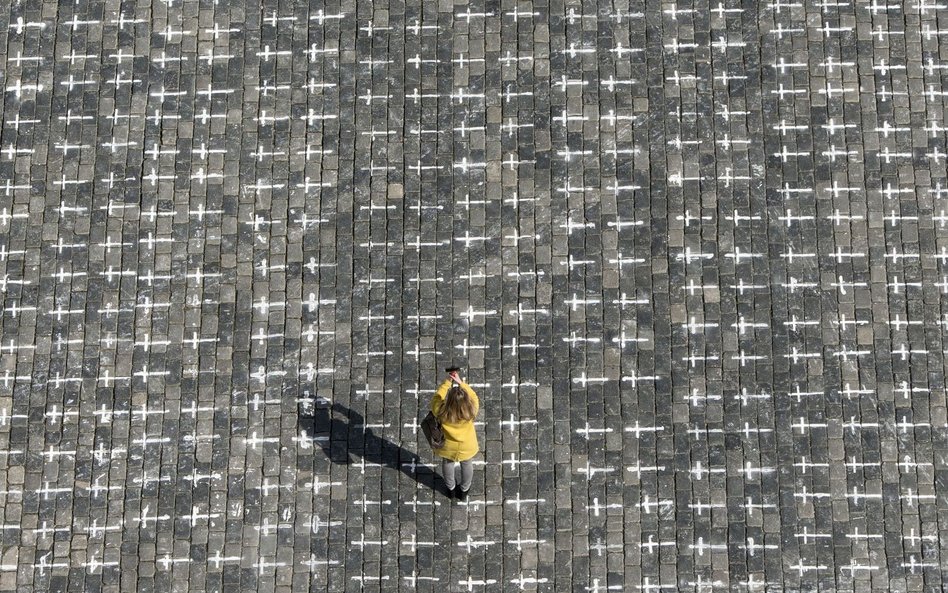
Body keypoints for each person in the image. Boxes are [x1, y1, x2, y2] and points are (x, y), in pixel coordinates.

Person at [431, 370, 479, 501]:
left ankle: (450, 489)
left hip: (448, 446)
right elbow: (474, 396)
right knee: (467, 464)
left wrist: (448, 382)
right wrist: (461, 383)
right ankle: (464, 490)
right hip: (467, 445)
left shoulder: (441, 411)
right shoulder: (472, 409)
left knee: (448, 463)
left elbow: (436, 398)